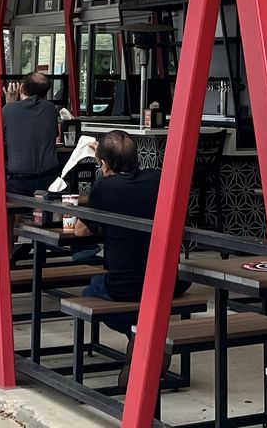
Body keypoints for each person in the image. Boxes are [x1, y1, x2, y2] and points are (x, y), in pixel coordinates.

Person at [73, 130, 187, 307]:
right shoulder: (157, 178)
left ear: (103, 165)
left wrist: (103, 169)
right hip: (171, 284)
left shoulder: (104, 187)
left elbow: (80, 231)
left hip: (124, 286)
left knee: (90, 289)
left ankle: (131, 332)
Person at [0, 70, 61, 196]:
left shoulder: (9, 110)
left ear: (22, 87)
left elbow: (1, 137)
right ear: (46, 92)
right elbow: (54, 134)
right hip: (49, 180)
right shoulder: (51, 109)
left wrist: (9, 104)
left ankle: (17, 216)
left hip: (19, 182)